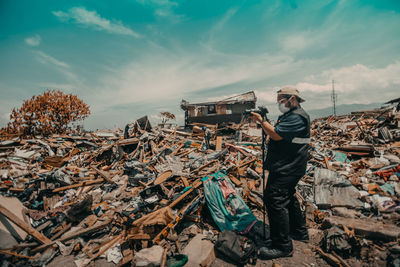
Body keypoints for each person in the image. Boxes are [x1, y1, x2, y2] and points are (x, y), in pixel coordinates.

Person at [251, 86, 310, 260]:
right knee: (288, 197)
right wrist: (265, 121)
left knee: (274, 199)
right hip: (289, 165)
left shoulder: (298, 117)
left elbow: (276, 135)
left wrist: (262, 121)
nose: (279, 104)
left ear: (292, 99)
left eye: (281, 100)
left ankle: (282, 246)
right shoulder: (291, 115)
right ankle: (298, 232)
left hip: (288, 167)